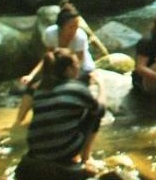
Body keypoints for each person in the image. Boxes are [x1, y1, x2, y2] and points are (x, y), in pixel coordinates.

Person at [19, 47, 104, 175]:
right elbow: (100, 110)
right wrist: (101, 85)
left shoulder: (41, 89)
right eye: (76, 64)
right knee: (93, 113)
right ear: (68, 70)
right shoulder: (77, 88)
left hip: (36, 151)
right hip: (62, 152)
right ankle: (86, 158)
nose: (79, 67)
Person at [15, 1, 101, 126]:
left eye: (76, 26)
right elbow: (48, 57)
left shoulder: (80, 37)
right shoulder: (51, 33)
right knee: (32, 86)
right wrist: (31, 75)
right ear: (61, 26)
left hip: (79, 68)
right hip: (60, 67)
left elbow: (76, 65)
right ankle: (18, 121)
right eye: (71, 27)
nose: (74, 30)